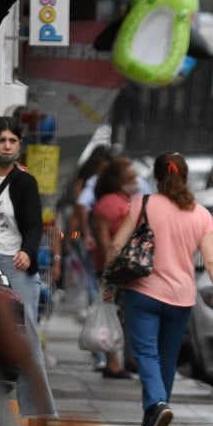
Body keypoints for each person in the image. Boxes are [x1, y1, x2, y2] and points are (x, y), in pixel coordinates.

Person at [104, 152, 213, 426]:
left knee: (146, 355)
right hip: (181, 299)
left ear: (156, 177)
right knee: (167, 359)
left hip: (142, 292)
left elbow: (115, 245)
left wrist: (109, 280)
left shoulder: (143, 203)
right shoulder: (200, 215)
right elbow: (212, 262)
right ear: (185, 178)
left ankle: (157, 405)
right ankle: (153, 418)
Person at [0, 115, 56, 419]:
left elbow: (34, 225)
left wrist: (28, 252)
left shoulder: (24, 182)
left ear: (19, 145)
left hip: (14, 262)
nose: (7, 146)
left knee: (26, 337)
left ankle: (40, 414)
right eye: (1, 140)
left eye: (12, 141)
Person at [89, 156, 142, 379]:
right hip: (114, 270)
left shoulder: (126, 200)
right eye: (130, 178)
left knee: (125, 315)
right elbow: (103, 237)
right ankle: (112, 363)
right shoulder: (109, 204)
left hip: (127, 268)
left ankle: (127, 360)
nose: (135, 182)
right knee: (112, 314)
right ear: (118, 181)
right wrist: (110, 266)